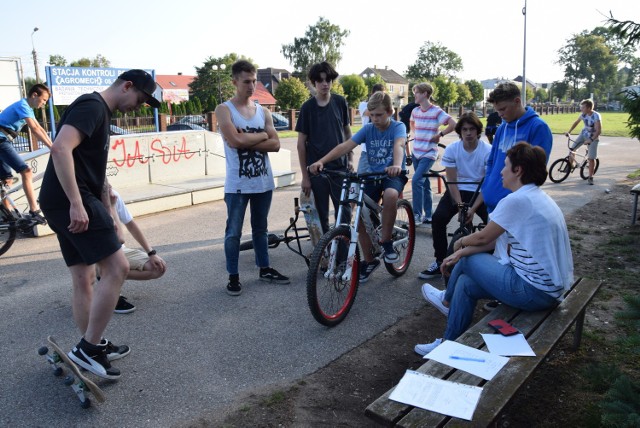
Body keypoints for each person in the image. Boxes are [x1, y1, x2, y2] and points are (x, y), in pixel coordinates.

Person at [39, 69, 161, 379]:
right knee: (117, 268)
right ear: (127, 86)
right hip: (71, 199)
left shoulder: (100, 113)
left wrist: (105, 202)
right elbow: (60, 148)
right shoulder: (92, 106)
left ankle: (92, 342)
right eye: (141, 99)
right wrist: (78, 204)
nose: (140, 106)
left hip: (58, 201)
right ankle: (89, 348)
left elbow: (88, 164)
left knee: (82, 277)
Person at [415, 142, 574, 355]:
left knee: (469, 261)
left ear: (518, 171)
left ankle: (446, 300)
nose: (501, 171)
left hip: (533, 291)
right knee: (465, 283)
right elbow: (492, 242)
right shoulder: (535, 196)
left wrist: (460, 244)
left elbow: (482, 238)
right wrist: (459, 253)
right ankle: (448, 344)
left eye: (505, 165)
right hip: (546, 290)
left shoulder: (517, 200)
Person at [309, 92, 406, 282]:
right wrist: (321, 161)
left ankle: (386, 241)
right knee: (358, 211)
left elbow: (399, 145)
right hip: (371, 175)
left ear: (389, 112)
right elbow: (345, 146)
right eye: (372, 115)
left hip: (391, 175)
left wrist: (396, 164)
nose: (375, 119)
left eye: (379, 115)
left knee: (391, 195)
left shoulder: (398, 126)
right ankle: (369, 260)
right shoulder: (368, 129)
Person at [215, 60, 290, 297]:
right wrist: (261, 137)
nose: (251, 85)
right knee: (233, 232)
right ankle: (233, 276)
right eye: (246, 81)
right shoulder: (224, 109)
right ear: (234, 82)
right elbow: (234, 141)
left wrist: (247, 137)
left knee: (261, 228)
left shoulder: (263, 111)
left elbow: (276, 144)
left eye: (254, 80)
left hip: (263, 182)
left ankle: (264, 268)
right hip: (237, 185)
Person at [419, 112, 491, 279]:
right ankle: (439, 261)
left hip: (480, 192)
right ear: (459, 132)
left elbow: (488, 184)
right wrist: (460, 206)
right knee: (438, 218)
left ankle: (490, 261)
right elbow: (452, 180)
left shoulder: (488, 150)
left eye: (472, 129)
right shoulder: (452, 149)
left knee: (493, 220)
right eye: (464, 129)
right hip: (457, 190)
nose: (468, 133)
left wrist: (473, 209)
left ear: (478, 131)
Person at [296, 61, 352, 234]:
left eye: (328, 80)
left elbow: (348, 133)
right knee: (321, 218)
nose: (325, 84)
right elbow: (300, 145)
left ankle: (343, 257)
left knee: (344, 214)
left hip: (340, 169)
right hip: (317, 171)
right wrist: (305, 177)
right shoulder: (307, 108)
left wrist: (350, 159)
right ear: (314, 83)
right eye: (320, 80)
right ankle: (325, 255)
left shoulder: (340, 102)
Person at [481, 82, 552, 213]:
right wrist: (488, 187)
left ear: (517, 101)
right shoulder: (502, 127)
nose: (500, 115)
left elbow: (536, 171)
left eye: (503, 109)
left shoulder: (538, 127)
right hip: (492, 205)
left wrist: (512, 198)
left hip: (515, 207)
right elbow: (492, 161)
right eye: (497, 110)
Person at [109, 186, 168, 313]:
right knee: (117, 264)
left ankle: (106, 279)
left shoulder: (113, 195)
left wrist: (151, 253)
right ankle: (111, 295)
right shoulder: (86, 200)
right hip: (95, 255)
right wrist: (112, 207)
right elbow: (119, 238)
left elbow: (130, 224)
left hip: (118, 251)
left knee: (158, 267)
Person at [0, 84, 53, 220]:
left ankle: (8, 215)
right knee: (26, 171)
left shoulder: (27, 107)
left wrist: (52, 146)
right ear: (34, 95)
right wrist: (52, 149)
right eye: (44, 100)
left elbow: (40, 128)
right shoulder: (22, 105)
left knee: (6, 179)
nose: (44, 104)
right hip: (1, 141)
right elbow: (34, 128)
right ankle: (34, 210)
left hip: (3, 140)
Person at [409, 82, 456, 226]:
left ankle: (417, 215)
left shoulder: (436, 111)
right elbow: (412, 124)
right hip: (416, 153)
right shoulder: (415, 111)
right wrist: (417, 133)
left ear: (425, 94)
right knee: (425, 184)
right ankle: (428, 216)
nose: (414, 95)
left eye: (416, 92)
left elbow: (453, 124)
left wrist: (440, 134)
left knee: (416, 181)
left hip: (429, 153)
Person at [565, 98, 601, 185]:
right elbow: (576, 122)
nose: (581, 109)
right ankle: (571, 165)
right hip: (583, 134)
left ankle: (590, 177)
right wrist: (569, 131)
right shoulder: (583, 114)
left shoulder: (596, 116)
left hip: (593, 138)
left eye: (583, 107)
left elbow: (598, 130)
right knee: (571, 149)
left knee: (591, 158)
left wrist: (591, 140)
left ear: (589, 108)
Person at [357, 83, 385, 174]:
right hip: (367, 150)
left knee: (379, 179)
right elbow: (369, 112)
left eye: (382, 96)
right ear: (372, 94)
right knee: (360, 176)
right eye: (377, 95)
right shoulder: (363, 104)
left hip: (381, 150)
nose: (379, 98)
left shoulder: (384, 107)